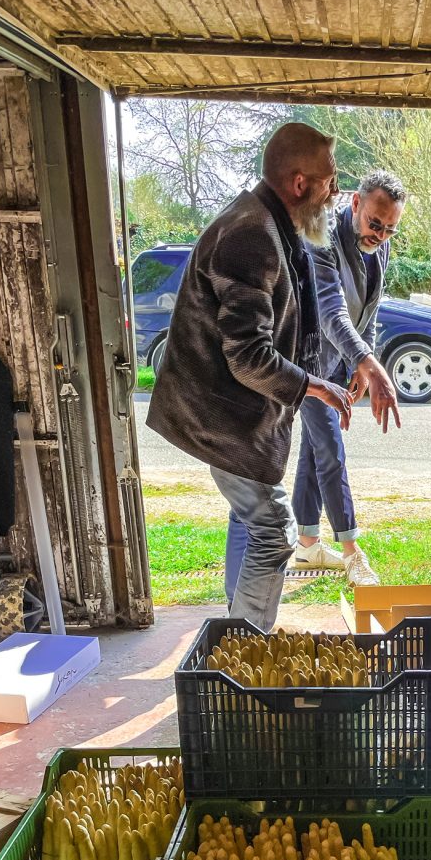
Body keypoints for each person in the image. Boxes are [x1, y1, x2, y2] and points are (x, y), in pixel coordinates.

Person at [147, 122, 351, 632]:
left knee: (254, 520)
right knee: (274, 531)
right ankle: (245, 651)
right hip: (221, 419)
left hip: (231, 415)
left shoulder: (266, 223)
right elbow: (248, 355)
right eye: (329, 180)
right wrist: (314, 385)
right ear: (300, 183)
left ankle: (240, 631)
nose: (335, 192)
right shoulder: (251, 235)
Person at [291, 170, 406, 585]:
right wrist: (370, 364)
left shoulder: (380, 246)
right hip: (308, 364)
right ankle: (352, 551)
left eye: (390, 229)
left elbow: (369, 310)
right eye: (375, 223)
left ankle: (307, 545)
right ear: (355, 202)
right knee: (331, 451)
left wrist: (361, 361)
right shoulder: (320, 237)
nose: (381, 235)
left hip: (343, 361)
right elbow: (331, 311)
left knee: (315, 448)